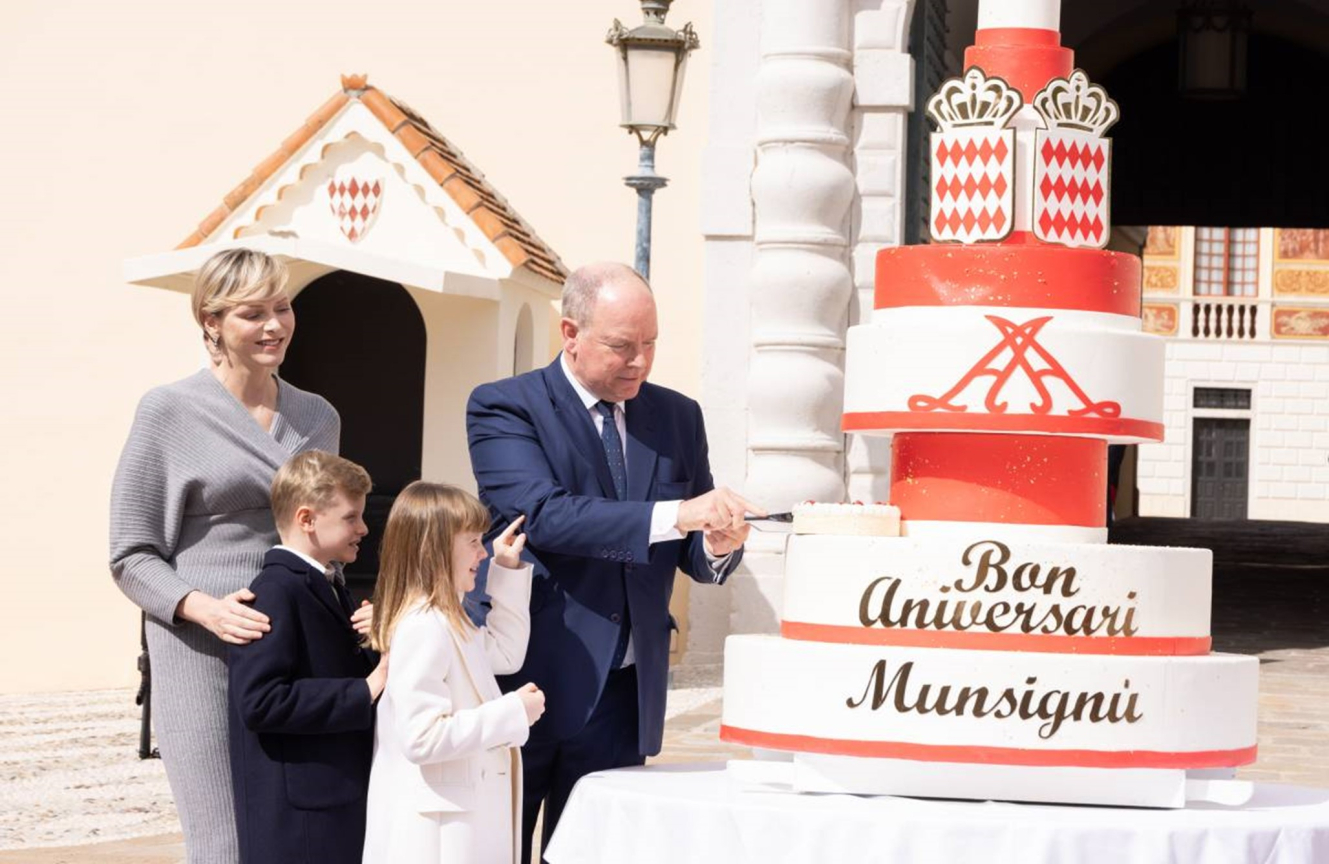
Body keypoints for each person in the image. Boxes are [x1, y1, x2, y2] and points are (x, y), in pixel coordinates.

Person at [465, 261, 760, 861]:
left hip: (626, 690)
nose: (641, 363)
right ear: (570, 333)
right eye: (622, 347)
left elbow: (687, 553)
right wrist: (680, 514)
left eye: (651, 345)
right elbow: (543, 515)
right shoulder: (505, 408)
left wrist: (717, 545)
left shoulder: (678, 416)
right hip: (525, 676)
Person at [108, 248, 365, 863]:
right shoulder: (168, 411)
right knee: (223, 841)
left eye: (283, 307)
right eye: (254, 313)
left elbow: (324, 536)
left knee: (301, 831)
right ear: (211, 322)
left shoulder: (316, 417)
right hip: (203, 655)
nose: (276, 325)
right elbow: (131, 554)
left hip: (301, 652)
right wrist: (204, 609)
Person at [362, 483, 544, 864]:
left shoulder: (449, 618)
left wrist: (506, 571)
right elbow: (422, 738)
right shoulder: (423, 625)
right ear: (435, 546)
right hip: (438, 840)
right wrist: (512, 714)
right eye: (474, 542)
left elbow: (506, 653)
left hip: (456, 829)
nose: (482, 552)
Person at [227, 451, 387, 864]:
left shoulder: (328, 584)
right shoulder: (276, 591)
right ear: (307, 519)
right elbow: (260, 701)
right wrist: (364, 690)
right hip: (300, 823)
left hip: (332, 803)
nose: (364, 528)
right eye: (351, 517)